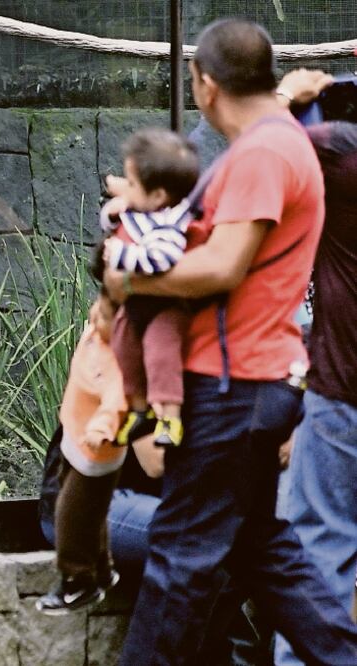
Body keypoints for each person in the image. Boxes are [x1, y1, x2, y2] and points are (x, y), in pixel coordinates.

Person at [102, 19, 357, 665]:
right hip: (250, 381)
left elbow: (222, 266)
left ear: (204, 85)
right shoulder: (273, 143)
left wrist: (127, 278)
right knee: (266, 553)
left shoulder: (266, 152)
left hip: (230, 383)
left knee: (179, 561)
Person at [270, 67, 357, 666]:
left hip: (342, 388)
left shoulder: (339, 154)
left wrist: (286, 98)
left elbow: (259, 154)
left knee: (317, 550)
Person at [100, 128, 200, 447]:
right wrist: (118, 205)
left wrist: (121, 254)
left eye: (132, 183)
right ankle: (138, 410)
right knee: (124, 349)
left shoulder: (170, 225)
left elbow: (161, 259)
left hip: (164, 310)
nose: (127, 189)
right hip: (135, 308)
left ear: (157, 196)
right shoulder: (142, 209)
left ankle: (169, 416)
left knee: (161, 355)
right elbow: (115, 217)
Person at [34, 292, 127, 614]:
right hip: (73, 438)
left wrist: (102, 430)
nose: (96, 317)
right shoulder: (94, 337)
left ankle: (77, 580)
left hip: (95, 451)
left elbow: (117, 402)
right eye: (98, 308)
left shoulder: (118, 361)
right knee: (92, 513)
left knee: (72, 513)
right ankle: (102, 569)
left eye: (105, 316)